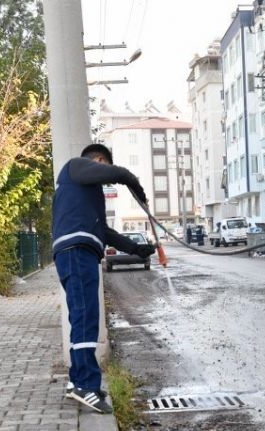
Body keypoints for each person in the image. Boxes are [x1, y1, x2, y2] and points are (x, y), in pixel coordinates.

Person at [52, 144, 155, 414]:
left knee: (81, 316)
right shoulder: (76, 166)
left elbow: (105, 232)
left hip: (77, 252)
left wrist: (135, 249)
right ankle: (87, 385)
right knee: (86, 316)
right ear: (98, 160)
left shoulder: (87, 193)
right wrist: (136, 187)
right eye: (105, 166)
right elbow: (121, 174)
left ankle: (78, 383)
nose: (107, 174)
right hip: (77, 251)